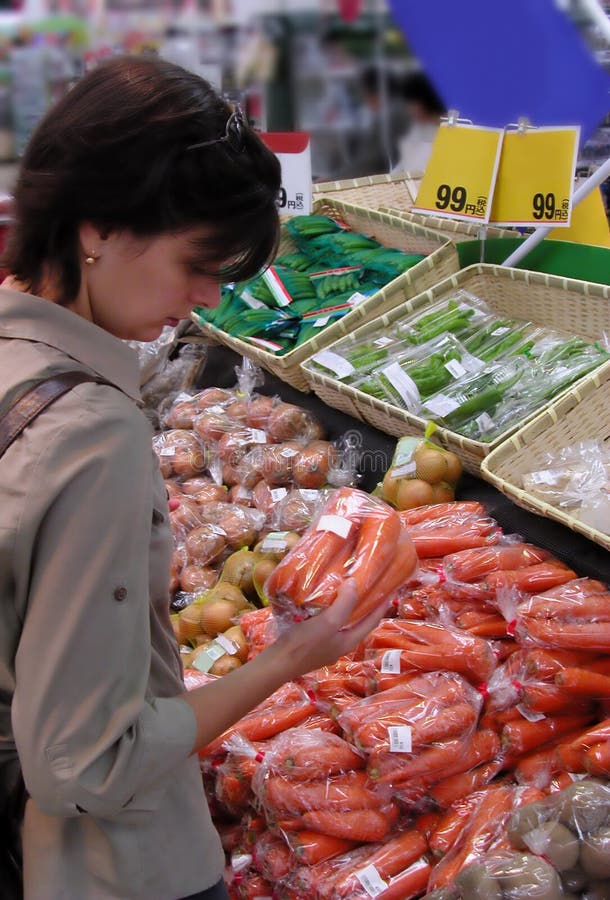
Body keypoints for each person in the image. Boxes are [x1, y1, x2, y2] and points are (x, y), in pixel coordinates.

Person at [0, 56, 386, 900]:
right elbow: (87, 767)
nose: (207, 298)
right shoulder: (90, 432)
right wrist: (290, 659)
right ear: (97, 226)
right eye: (198, 263)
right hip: (104, 868)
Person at [392, 70, 447, 175]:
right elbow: (401, 167)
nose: (408, 109)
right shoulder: (418, 129)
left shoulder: (451, 131)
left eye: (411, 103)